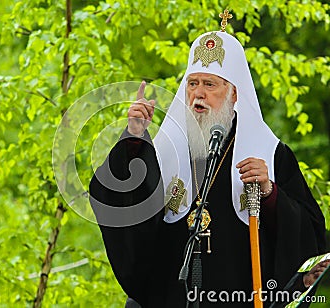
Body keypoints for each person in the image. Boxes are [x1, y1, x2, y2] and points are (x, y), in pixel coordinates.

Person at [89, 25, 327, 307]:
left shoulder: (271, 154)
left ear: (234, 94)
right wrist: (133, 141)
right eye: (193, 83)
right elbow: (117, 202)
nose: (198, 94)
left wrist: (270, 194)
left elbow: (311, 238)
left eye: (209, 84)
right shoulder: (165, 150)